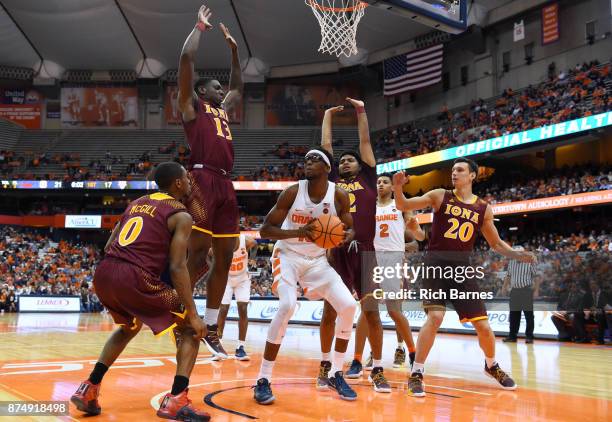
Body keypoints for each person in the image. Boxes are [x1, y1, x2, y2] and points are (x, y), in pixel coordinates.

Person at [70, 162, 210, 421]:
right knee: (191, 330)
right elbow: (178, 266)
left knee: (129, 327)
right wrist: (192, 312)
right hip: (136, 278)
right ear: (178, 183)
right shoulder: (181, 215)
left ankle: (89, 387)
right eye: (187, 179)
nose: (190, 183)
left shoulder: (136, 203)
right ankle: (177, 400)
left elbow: (110, 244)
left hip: (105, 273)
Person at [392, 158, 537, 397]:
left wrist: (517, 255)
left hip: (462, 270)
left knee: (483, 325)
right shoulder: (440, 195)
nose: (454, 173)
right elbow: (403, 204)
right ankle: (416, 372)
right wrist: (398, 187)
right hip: (436, 265)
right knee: (435, 317)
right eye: (452, 170)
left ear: (472, 176)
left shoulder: (483, 208)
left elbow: (496, 243)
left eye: (460, 170)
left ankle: (491, 366)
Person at [253, 149, 358, 404]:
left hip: (317, 261)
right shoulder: (292, 192)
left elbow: (351, 228)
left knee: (348, 306)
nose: (308, 163)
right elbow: (265, 229)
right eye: (306, 160)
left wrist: (345, 237)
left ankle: (335, 372)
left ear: (327, 168)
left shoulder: (339, 195)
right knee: (287, 305)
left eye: (315, 160)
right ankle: (263, 379)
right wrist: (301, 232)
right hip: (287, 255)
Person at [178, 4, 244, 358]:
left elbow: (238, 86)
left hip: (226, 184)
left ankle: (212, 326)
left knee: (224, 257)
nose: (223, 92)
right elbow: (186, 62)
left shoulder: (222, 108)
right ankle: (183, 315)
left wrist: (235, 52)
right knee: (198, 253)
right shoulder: (191, 107)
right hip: (201, 177)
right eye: (216, 88)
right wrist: (199, 29)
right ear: (202, 92)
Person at [318, 98, 391, 393]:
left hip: (365, 250)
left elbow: (364, 140)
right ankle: (325, 363)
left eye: (351, 160)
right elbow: (326, 149)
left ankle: (378, 369)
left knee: (372, 312)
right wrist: (326, 116)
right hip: (336, 251)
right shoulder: (332, 180)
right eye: (343, 160)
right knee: (329, 311)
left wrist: (362, 110)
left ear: (361, 165)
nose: (345, 161)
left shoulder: (370, 178)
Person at [356, 174, 425, 371]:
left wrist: (411, 240)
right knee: (368, 311)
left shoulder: (402, 206)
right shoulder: (369, 208)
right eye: (378, 182)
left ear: (393, 187)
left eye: (385, 182)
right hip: (373, 261)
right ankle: (372, 352)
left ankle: (401, 348)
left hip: (394, 261)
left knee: (395, 310)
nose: (381, 184)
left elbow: (417, 237)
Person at [216, 230, 258, 360]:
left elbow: (255, 244)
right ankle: (218, 346)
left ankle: (241, 347)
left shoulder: (245, 240)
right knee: (223, 310)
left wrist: (252, 258)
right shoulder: (221, 242)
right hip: (227, 279)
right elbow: (209, 253)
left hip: (242, 278)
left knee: (243, 309)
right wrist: (213, 267)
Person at [502, 245, 538, 343]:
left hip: (526, 290)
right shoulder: (511, 262)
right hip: (514, 291)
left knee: (529, 315)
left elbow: (536, 276)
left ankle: (529, 337)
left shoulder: (530, 262)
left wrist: (536, 290)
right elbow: (508, 276)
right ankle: (512, 336)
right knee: (513, 315)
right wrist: (504, 287)